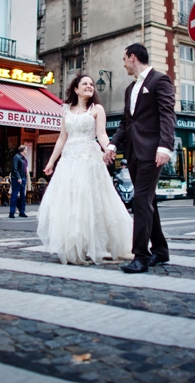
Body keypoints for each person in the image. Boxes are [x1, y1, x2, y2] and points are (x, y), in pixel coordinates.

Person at [37, 74, 134, 265]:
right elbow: (62, 138)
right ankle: (75, 246)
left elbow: (101, 134)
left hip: (89, 159)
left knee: (93, 200)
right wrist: (51, 162)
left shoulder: (97, 109)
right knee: (71, 201)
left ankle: (108, 245)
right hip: (69, 160)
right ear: (76, 89)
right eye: (85, 83)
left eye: (91, 84)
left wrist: (108, 149)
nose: (89, 86)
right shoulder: (66, 111)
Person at [104, 43, 176, 274]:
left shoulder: (160, 80)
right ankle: (161, 250)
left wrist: (165, 146)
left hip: (152, 152)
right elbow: (127, 122)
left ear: (133, 57)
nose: (124, 64)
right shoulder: (130, 89)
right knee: (148, 201)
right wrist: (113, 144)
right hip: (133, 153)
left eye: (124, 59)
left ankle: (141, 256)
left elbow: (167, 115)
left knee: (141, 201)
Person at [9, 146, 29, 218]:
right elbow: (15, 168)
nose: (27, 151)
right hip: (17, 178)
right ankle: (12, 212)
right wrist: (18, 177)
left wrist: (24, 178)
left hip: (23, 178)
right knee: (14, 195)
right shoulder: (17, 157)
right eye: (26, 150)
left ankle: (22, 211)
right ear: (22, 150)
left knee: (23, 195)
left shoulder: (23, 158)